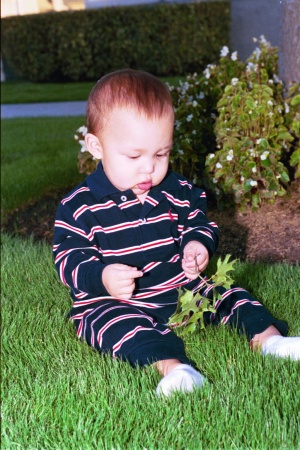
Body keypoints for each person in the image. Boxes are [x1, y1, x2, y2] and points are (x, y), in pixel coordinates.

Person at [53, 69, 300, 397]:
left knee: (225, 292)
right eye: (134, 155)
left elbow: (199, 223)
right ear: (96, 146)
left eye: (161, 154)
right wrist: (102, 276)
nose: (149, 168)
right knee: (109, 323)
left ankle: (270, 340)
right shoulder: (79, 206)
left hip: (180, 290)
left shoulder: (178, 190)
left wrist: (196, 244)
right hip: (116, 302)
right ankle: (175, 370)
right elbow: (68, 260)